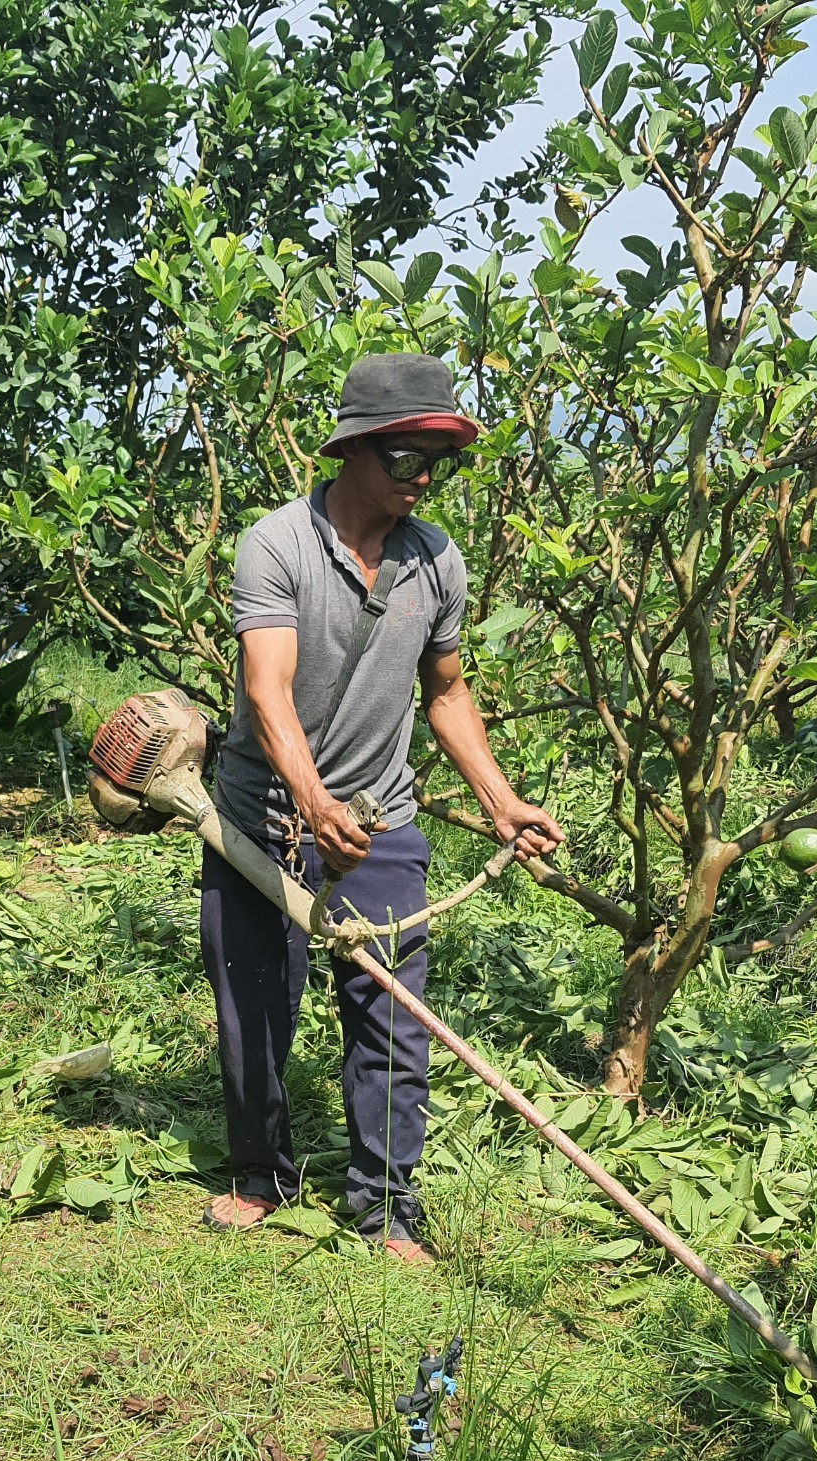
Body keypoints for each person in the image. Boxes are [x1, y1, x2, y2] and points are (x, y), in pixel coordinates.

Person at [201, 353, 563, 1263]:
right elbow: (268, 691)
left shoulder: (437, 560)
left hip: (384, 822)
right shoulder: (277, 545)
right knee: (254, 1006)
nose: (426, 479)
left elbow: (445, 694)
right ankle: (259, 1176)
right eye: (407, 456)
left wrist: (502, 801)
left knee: (394, 1019)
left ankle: (386, 1209)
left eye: (441, 459)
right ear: (355, 449)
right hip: (265, 819)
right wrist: (310, 798)